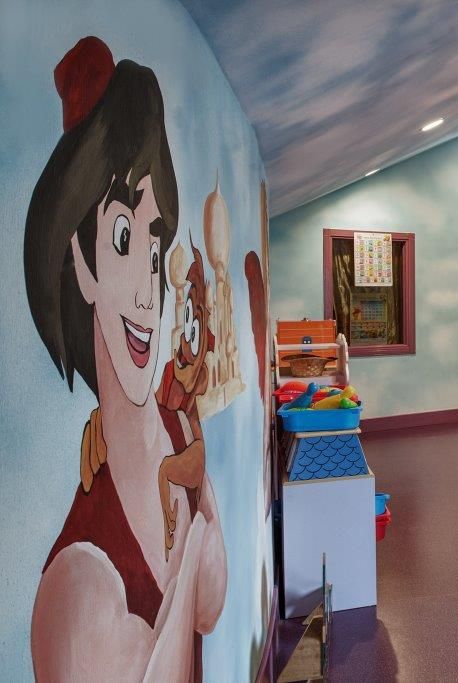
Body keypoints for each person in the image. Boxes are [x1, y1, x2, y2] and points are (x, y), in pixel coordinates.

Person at [24, 36, 226, 681]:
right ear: (80, 261)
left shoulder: (176, 425)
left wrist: (199, 482)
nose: (147, 290)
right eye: (120, 237)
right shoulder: (78, 585)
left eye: (153, 246)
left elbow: (212, 606)